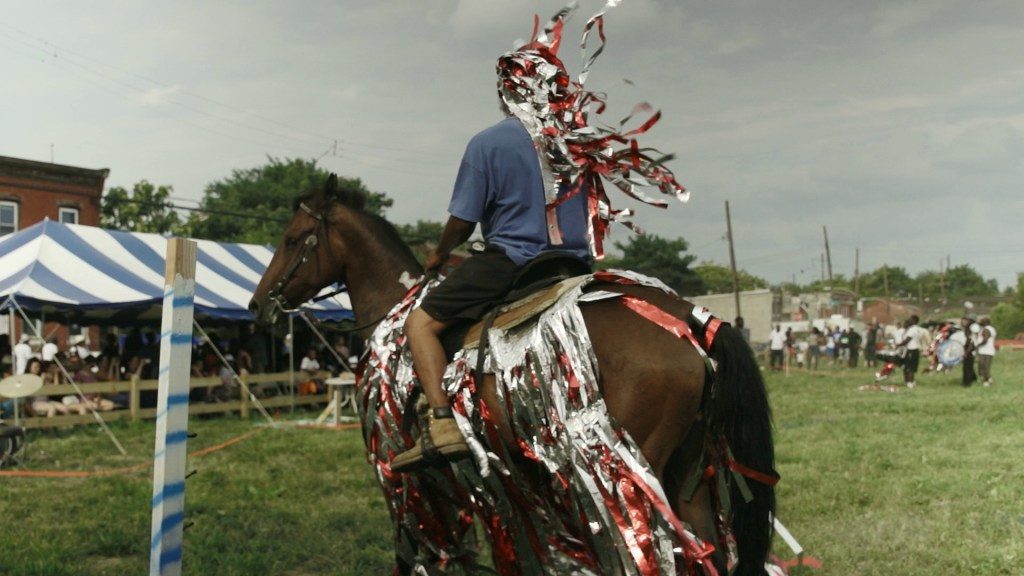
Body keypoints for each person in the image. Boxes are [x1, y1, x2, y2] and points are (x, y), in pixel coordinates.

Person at [897, 315, 928, 388]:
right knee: (912, 367)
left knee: (909, 367)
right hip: (915, 349)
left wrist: (897, 345)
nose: (908, 320)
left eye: (910, 319)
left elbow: (907, 341)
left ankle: (909, 383)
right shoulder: (917, 329)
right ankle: (912, 382)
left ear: (914, 321)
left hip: (911, 350)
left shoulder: (912, 330)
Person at [976, 317, 997, 386]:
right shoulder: (990, 329)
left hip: (985, 351)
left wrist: (978, 345)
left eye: (981, 321)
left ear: (985, 322)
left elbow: (985, 340)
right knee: (984, 366)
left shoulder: (987, 329)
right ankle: (988, 378)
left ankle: (986, 381)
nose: (979, 323)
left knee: (984, 366)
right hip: (987, 350)